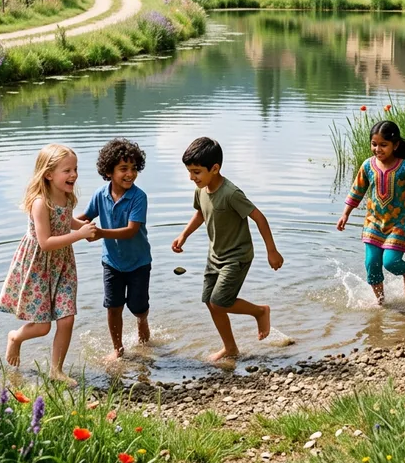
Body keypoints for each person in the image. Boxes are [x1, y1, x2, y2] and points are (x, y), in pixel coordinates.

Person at [172, 137, 284, 363]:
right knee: (210, 301)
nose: (192, 177)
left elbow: (259, 218)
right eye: (189, 172)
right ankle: (230, 348)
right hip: (215, 256)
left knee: (220, 301)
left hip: (237, 256)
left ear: (215, 169)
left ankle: (260, 312)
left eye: (196, 172)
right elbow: (201, 214)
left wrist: (272, 251)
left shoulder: (231, 193)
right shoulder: (201, 190)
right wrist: (184, 235)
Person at [0, 144, 97, 383]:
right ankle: (15, 337)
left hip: (63, 266)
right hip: (39, 267)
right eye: (67, 170)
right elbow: (45, 242)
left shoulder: (67, 196)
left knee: (67, 318)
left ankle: (56, 370)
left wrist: (85, 227)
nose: (74, 175)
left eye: (75, 169)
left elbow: (66, 220)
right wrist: (79, 235)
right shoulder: (40, 203)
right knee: (43, 327)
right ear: (49, 174)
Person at [337, 120, 405, 304]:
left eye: (383, 145)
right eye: (374, 144)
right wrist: (345, 214)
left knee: (391, 262)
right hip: (373, 222)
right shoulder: (367, 166)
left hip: (398, 223)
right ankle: (381, 304)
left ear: (395, 145)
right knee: (371, 264)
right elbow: (356, 191)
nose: (378, 149)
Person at [78, 138, 151, 361]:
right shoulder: (100, 194)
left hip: (139, 262)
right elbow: (85, 218)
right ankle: (118, 349)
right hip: (111, 262)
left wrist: (100, 233)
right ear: (109, 171)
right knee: (113, 306)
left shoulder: (138, 197)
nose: (130, 174)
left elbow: (131, 230)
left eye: (133, 168)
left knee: (138, 307)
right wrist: (61, 224)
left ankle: (142, 320)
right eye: (123, 169)